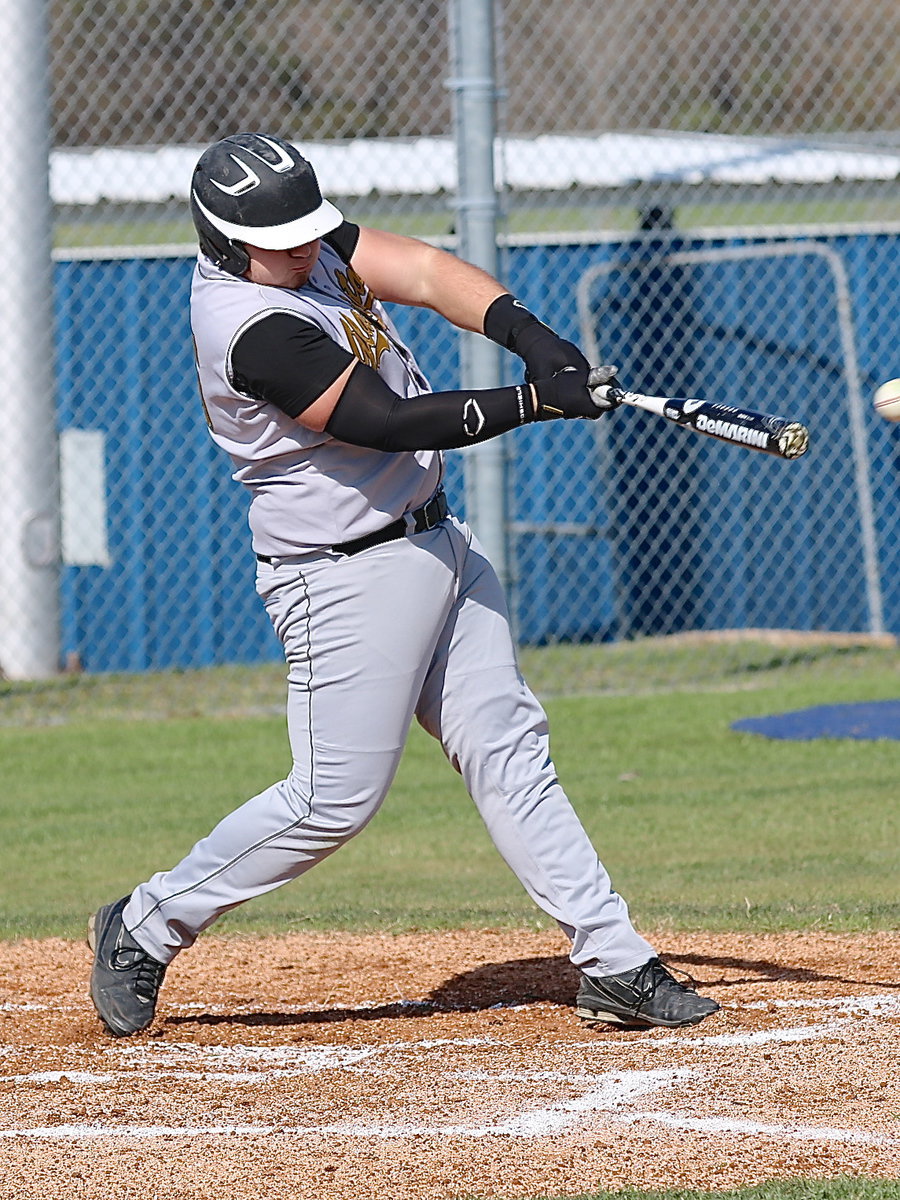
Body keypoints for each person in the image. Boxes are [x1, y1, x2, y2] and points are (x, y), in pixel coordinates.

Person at [87, 132, 719, 1038]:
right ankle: (145, 924)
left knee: (509, 747)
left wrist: (536, 340)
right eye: (284, 240)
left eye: (311, 230)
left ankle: (614, 960)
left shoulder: (299, 248)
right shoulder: (250, 327)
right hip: (342, 579)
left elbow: (421, 269)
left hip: (436, 543)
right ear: (227, 241)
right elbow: (381, 422)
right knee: (330, 802)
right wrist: (534, 401)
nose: (309, 248)